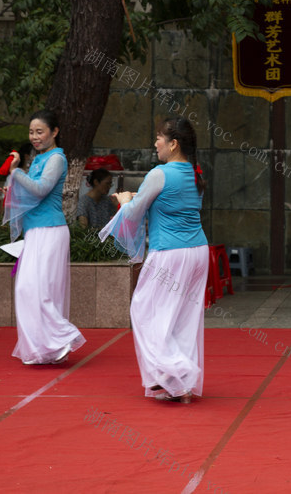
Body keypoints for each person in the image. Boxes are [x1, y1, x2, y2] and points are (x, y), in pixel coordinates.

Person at [99, 117, 208, 402]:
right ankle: (178, 382)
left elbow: (134, 214)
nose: (156, 143)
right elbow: (175, 205)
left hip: (170, 253)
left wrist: (124, 201)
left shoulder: (160, 173)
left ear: (173, 144)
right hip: (197, 251)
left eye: (159, 138)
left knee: (143, 309)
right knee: (183, 318)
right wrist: (138, 201)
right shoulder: (195, 173)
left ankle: (177, 371)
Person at [2, 110, 86, 365]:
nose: (35, 137)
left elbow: (39, 190)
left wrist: (16, 173)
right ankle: (43, 348)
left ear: (55, 132)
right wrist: (14, 183)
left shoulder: (57, 159)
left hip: (50, 231)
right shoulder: (38, 159)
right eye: (31, 132)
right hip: (35, 232)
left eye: (40, 132)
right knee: (28, 290)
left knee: (42, 291)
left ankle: (62, 338)